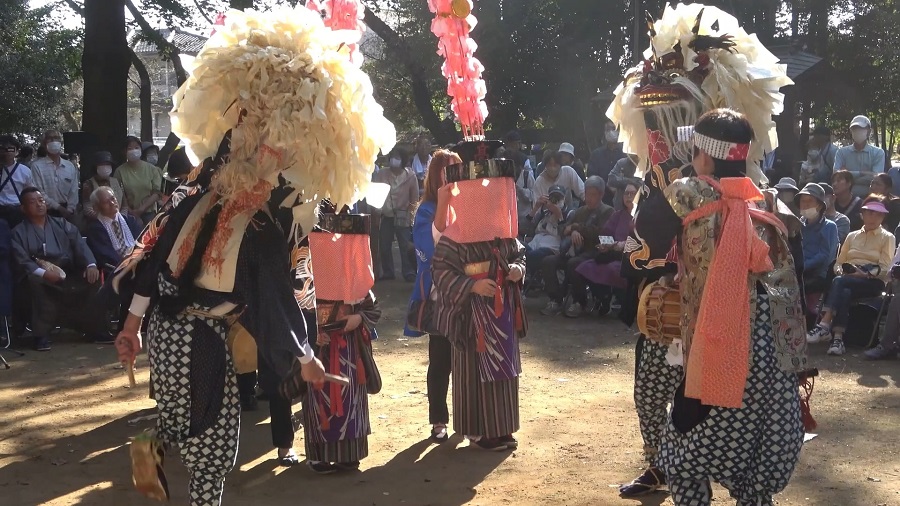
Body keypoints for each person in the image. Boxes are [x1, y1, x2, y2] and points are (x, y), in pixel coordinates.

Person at [110, 8, 394, 503]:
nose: (267, 157)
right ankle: (147, 482)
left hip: (207, 332)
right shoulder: (196, 199)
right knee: (191, 433)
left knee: (211, 443)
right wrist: (132, 326)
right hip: (179, 329)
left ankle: (176, 490)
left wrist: (301, 355)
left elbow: (274, 295)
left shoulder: (262, 224)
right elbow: (155, 263)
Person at [641, 109, 806, 505]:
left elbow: (647, 232)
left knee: (681, 462)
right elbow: (795, 270)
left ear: (703, 156)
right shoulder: (767, 201)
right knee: (754, 475)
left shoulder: (686, 193)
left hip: (723, 356)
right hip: (778, 368)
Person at [432, 140, 526, 451]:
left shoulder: (501, 227)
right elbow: (441, 271)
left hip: (501, 311)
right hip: (472, 315)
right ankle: (480, 430)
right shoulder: (454, 234)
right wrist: (471, 285)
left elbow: (520, 254)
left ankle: (504, 427)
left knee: (504, 371)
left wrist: (516, 269)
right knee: (474, 374)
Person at [304, 211, 381, 474]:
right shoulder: (305, 273)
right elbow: (296, 311)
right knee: (319, 397)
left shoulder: (354, 273)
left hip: (349, 347)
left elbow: (373, 308)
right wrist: (312, 332)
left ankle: (350, 454)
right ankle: (320, 456)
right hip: (318, 347)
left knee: (351, 399)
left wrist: (358, 317)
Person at [404, 150, 461, 442]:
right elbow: (430, 248)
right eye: (447, 170)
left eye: (457, 169)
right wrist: (445, 201)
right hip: (439, 294)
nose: (453, 175)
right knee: (440, 362)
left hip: (467, 293)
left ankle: (467, 418)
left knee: (464, 361)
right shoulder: (426, 209)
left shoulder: (468, 204)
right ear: (436, 174)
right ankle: (438, 419)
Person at [10, 188, 111, 351]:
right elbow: (21, 261)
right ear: (23, 208)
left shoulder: (62, 224)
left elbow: (80, 245)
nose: (39, 204)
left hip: (67, 271)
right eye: (32, 202)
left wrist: (90, 264)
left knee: (92, 280)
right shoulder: (18, 232)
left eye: (41, 200)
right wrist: (44, 273)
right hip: (38, 274)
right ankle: (40, 335)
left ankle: (95, 330)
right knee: (34, 283)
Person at [806, 196, 895, 356]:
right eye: (869, 213)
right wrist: (845, 272)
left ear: (883, 217)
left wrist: (865, 273)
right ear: (862, 214)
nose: (873, 217)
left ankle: (824, 324)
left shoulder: (888, 237)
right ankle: (838, 339)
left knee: (840, 283)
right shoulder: (852, 236)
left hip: (872, 281)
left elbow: (885, 267)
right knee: (844, 289)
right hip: (847, 278)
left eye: (877, 214)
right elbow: (838, 263)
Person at [539, 176, 614, 317]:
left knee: (574, 264)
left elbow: (601, 233)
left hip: (595, 252)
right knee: (548, 261)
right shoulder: (580, 211)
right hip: (574, 252)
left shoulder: (608, 211)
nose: (589, 198)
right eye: (587, 194)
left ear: (601, 195)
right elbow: (563, 230)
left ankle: (580, 301)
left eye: (593, 195)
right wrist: (572, 230)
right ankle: (556, 299)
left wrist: (576, 228)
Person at [571, 182, 638, 317]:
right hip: (611, 253)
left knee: (614, 269)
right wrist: (606, 245)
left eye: (632, 193)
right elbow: (605, 233)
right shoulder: (618, 215)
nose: (628, 196)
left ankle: (620, 302)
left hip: (633, 256)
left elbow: (641, 240)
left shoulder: (642, 216)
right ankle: (601, 298)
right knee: (585, 266)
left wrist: (619, 245)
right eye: (626, 193)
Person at [373, 148, 418, 281]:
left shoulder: (410, 176)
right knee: (385, 245)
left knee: (405, 245)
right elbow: (376, 194)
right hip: (386, 215)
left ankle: (409, 271)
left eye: (397, 156)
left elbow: (414, 199)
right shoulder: (381, 174)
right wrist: (376, 214)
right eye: (392, 156)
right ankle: (388, 272)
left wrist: (412, 218)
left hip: (403, 216)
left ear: (403, 160)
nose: (394, 159)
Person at [795, 183, 839, 296]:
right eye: (803, 201)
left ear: (819, 205)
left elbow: (825, 255)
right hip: (799, 271)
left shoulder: (829, 226)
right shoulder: (798, 225)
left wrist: (802, 266)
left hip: (818, 275)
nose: (805, 204)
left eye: (809, 201)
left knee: (795, 289)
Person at [85, 187, 141, 271]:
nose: (112, 203)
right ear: (96, 207)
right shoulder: (95, 230)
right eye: (105, 202)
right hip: (116, 271)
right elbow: (106, 256)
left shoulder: (130, 221)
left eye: (113, 198)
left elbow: (142, 243)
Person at [30, 130, 78, 220]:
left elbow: (74, 190)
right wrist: (59, 208)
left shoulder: (70, 166)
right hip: (46, 212)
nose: (53, 141)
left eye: (56, 138)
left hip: (68, 213)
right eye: (49, 139)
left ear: (61, 142)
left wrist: (70, 209)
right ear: (44, 144)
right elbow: (39, 191)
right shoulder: (37, 166)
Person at [116, 135, 163, 225]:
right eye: (130, 148)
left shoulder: (152, 169)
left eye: (136, 147)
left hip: (149, 213)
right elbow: (119, 192)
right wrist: (130, 210)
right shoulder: (119, 171)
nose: (134, 151)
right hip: (129, 213)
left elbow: (157, 192)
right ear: (124, 151)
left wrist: (142, 209)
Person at [525, 185, 566, 277]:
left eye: (558, 198)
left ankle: (528, 276)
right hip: (534, 243)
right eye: (553, 198)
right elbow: (526, 227)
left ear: (564, 199)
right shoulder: (544, 213)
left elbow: (565, 234)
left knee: (531, 256)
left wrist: (559, 215)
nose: (555, 201)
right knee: (517, 247)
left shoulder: (568, 214)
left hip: (551, 247)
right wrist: (536, 207)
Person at [834, 115, 886, 181]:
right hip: (846, 191)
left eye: (861, 128)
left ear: (869, 131)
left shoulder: (878, 153)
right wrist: (862, 173)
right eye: (854, 129)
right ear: (851, 131)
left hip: (869, 191)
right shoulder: (841, 152)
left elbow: (876, 178)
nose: (857, 131)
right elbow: (836, 176)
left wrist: (847, 175)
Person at [81, 151, 128, 220]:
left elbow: (125, 205)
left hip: (119, 220)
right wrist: (103, 219)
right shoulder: (89, 184)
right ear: (96, 167)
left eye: (107, 164)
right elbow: (87, 208)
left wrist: (121, 218)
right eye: (102, 164)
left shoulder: (116, 181)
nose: (105, 167)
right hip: (98, 223)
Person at [0, 135, 33, 228]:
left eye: (10, 149)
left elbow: (28, 192)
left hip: (17, 211)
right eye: (2, 148)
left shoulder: (25, 171)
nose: (6, 152)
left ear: (17, 151)